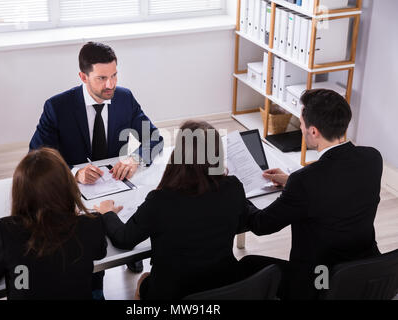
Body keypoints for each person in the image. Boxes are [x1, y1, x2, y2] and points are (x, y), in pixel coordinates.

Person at [29, 42, 162, 273]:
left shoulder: (124, 98)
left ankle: (128, 250)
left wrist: (135, 158)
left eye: (114, 75)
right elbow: (36, 155)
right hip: (75, 191)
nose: (110, 84)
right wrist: (74, 172)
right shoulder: (57, 106)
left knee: (137, 211)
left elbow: (155, 138)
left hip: (115, 183)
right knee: (87, 244)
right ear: (83, 76)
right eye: (101, 78)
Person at [239, 89, 383, 300]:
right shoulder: (372, 158)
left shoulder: (305, 181)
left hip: (318, 282)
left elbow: (261, 225)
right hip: (363, 273)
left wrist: (235, 191)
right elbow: (337, 186)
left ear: (314, 131)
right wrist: (290, 181)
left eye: (301, 123)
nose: (301, 128)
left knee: (247, 266)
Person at [94, 120, 250, 300]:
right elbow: (240, 222)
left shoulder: (160, 200)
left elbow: (124, 239)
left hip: (173, 293)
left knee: (144, 280)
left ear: (180, 152)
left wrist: (108, 213)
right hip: (223, 286)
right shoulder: (234, 187)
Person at [0, 148, 107, 300]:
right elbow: (100, 252)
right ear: (68, 186)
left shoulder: (7, 232)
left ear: (20, 192)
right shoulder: (91, 224)